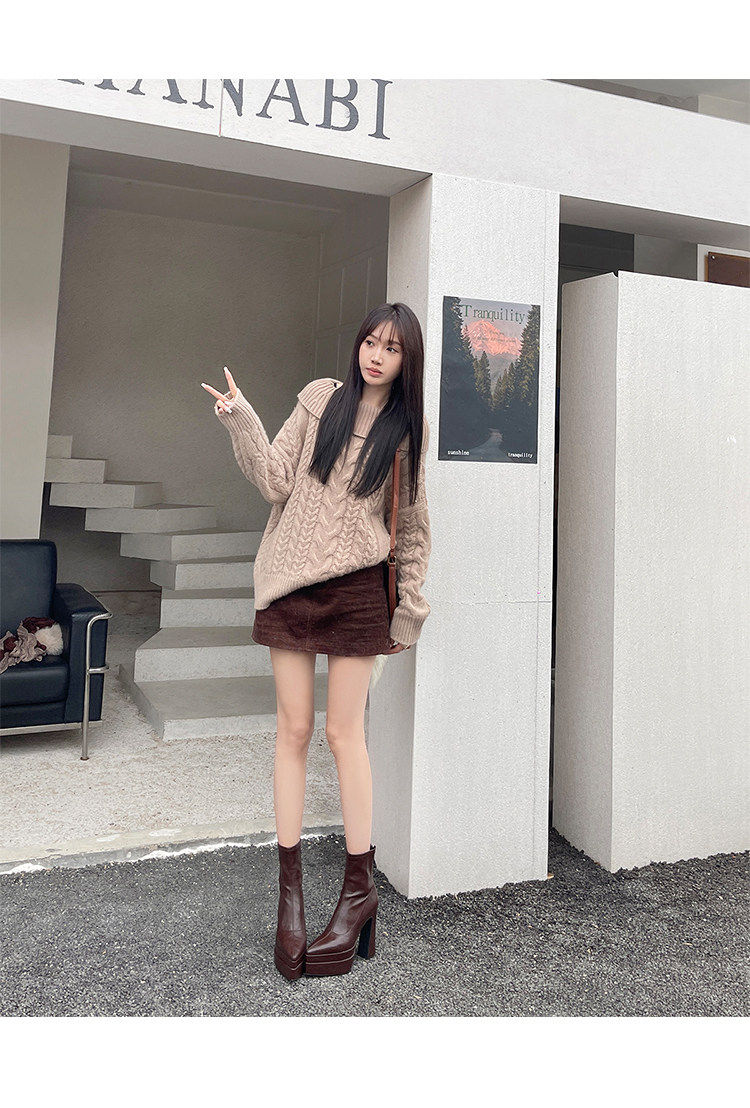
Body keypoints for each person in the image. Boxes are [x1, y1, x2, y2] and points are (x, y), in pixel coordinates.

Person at [201, 302, 431, 980]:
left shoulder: (405, 433)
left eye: (392, 348)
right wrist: (241, 416)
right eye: (370, 342)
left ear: (407, 361)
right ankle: (291, 895)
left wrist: (409, 609)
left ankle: (358, 894)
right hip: (291, 584)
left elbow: (412, 527)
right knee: (293, 730)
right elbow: (275, 479)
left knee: (343, 734)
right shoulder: (319, 400)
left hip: (358, 593)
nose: (376, 356)